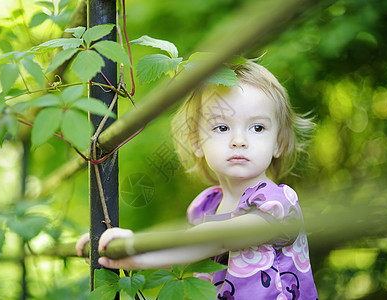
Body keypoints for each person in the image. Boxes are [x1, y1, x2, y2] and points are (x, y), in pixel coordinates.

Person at [77, 60, 318, 299]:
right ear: (196, 142)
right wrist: (111, 247)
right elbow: (184, 252)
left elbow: (218, 239)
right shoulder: (205, 206)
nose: (239, 140)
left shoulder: (277, 202)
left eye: (257, 128)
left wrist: (137, 248)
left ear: (279, 142)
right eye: (222, 127)